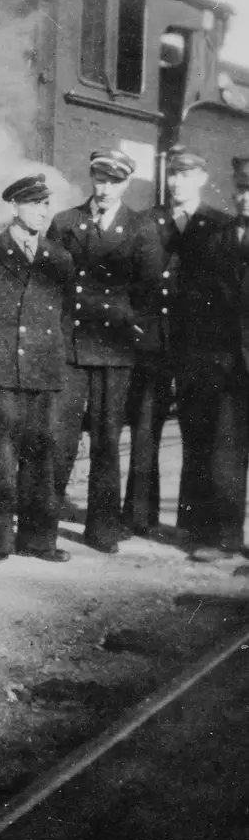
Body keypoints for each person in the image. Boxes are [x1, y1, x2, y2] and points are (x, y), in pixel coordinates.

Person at [48, 148, 163, 555]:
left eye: (114, 180)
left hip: (114, 349)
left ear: (125, 183)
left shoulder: (141, 228)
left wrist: (126, 323)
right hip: (71, 346)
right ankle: (43, 528)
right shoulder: (65, 222)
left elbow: (149, 291)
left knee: (106, 439)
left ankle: (102, 529)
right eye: (100, 178)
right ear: (91, 178)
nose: (105, 187)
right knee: (58, 438)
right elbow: (51, 282)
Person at [0, 174, 74, 566]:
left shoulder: (58, 258)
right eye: (33, 204)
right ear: (14, 208)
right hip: (0, 372)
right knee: (1, 462)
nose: (42, 211)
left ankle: (39, 541)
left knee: (42, 459)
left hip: (43, 371)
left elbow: (67, 316)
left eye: (46, 204)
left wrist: (52, 354)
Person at [122, 145, 229, 539]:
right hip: (152, 341)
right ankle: (138, 518)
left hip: (197, 345)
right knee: (145, 428)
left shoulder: (219, 225)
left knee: (199, 431)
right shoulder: (147, 220)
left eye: (187, 175)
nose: (178, 181)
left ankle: (196, 522)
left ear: (202, 178)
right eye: (173, 175)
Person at [181, 156, 249, 562]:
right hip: (227, 364)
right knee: (225, 451)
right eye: (242, 189)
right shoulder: (217, 238)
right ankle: (226, 537)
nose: (246, 198)